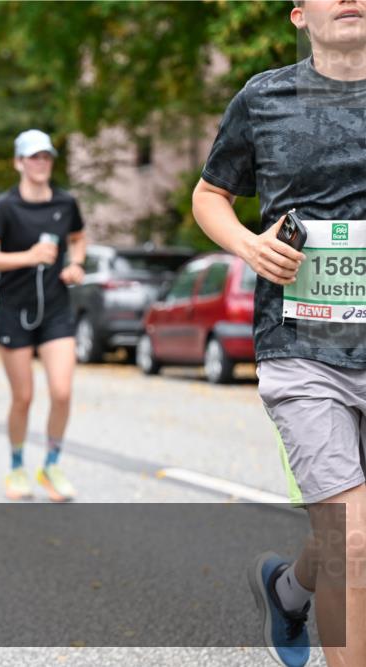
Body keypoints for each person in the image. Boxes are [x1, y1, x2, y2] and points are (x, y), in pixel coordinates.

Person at [192, 3, 365, 665]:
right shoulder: (265, 97)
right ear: (300, 14)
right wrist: (247, 243)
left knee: (349, 531)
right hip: (300, 348)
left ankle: (288, 590)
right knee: (353, 535)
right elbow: (210, 195)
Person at [0, 129, 87, 503]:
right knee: (23, 397)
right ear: (19, 162)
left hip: (55, 309)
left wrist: (76, 265)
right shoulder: (5, 207)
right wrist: (28, 257)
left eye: (46, 157)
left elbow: (78, 238)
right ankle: (17, 466)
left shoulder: (65, 202)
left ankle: (51, 464)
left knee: (62, 391)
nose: (41, 164)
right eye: (33, 157)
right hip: (14, 311)